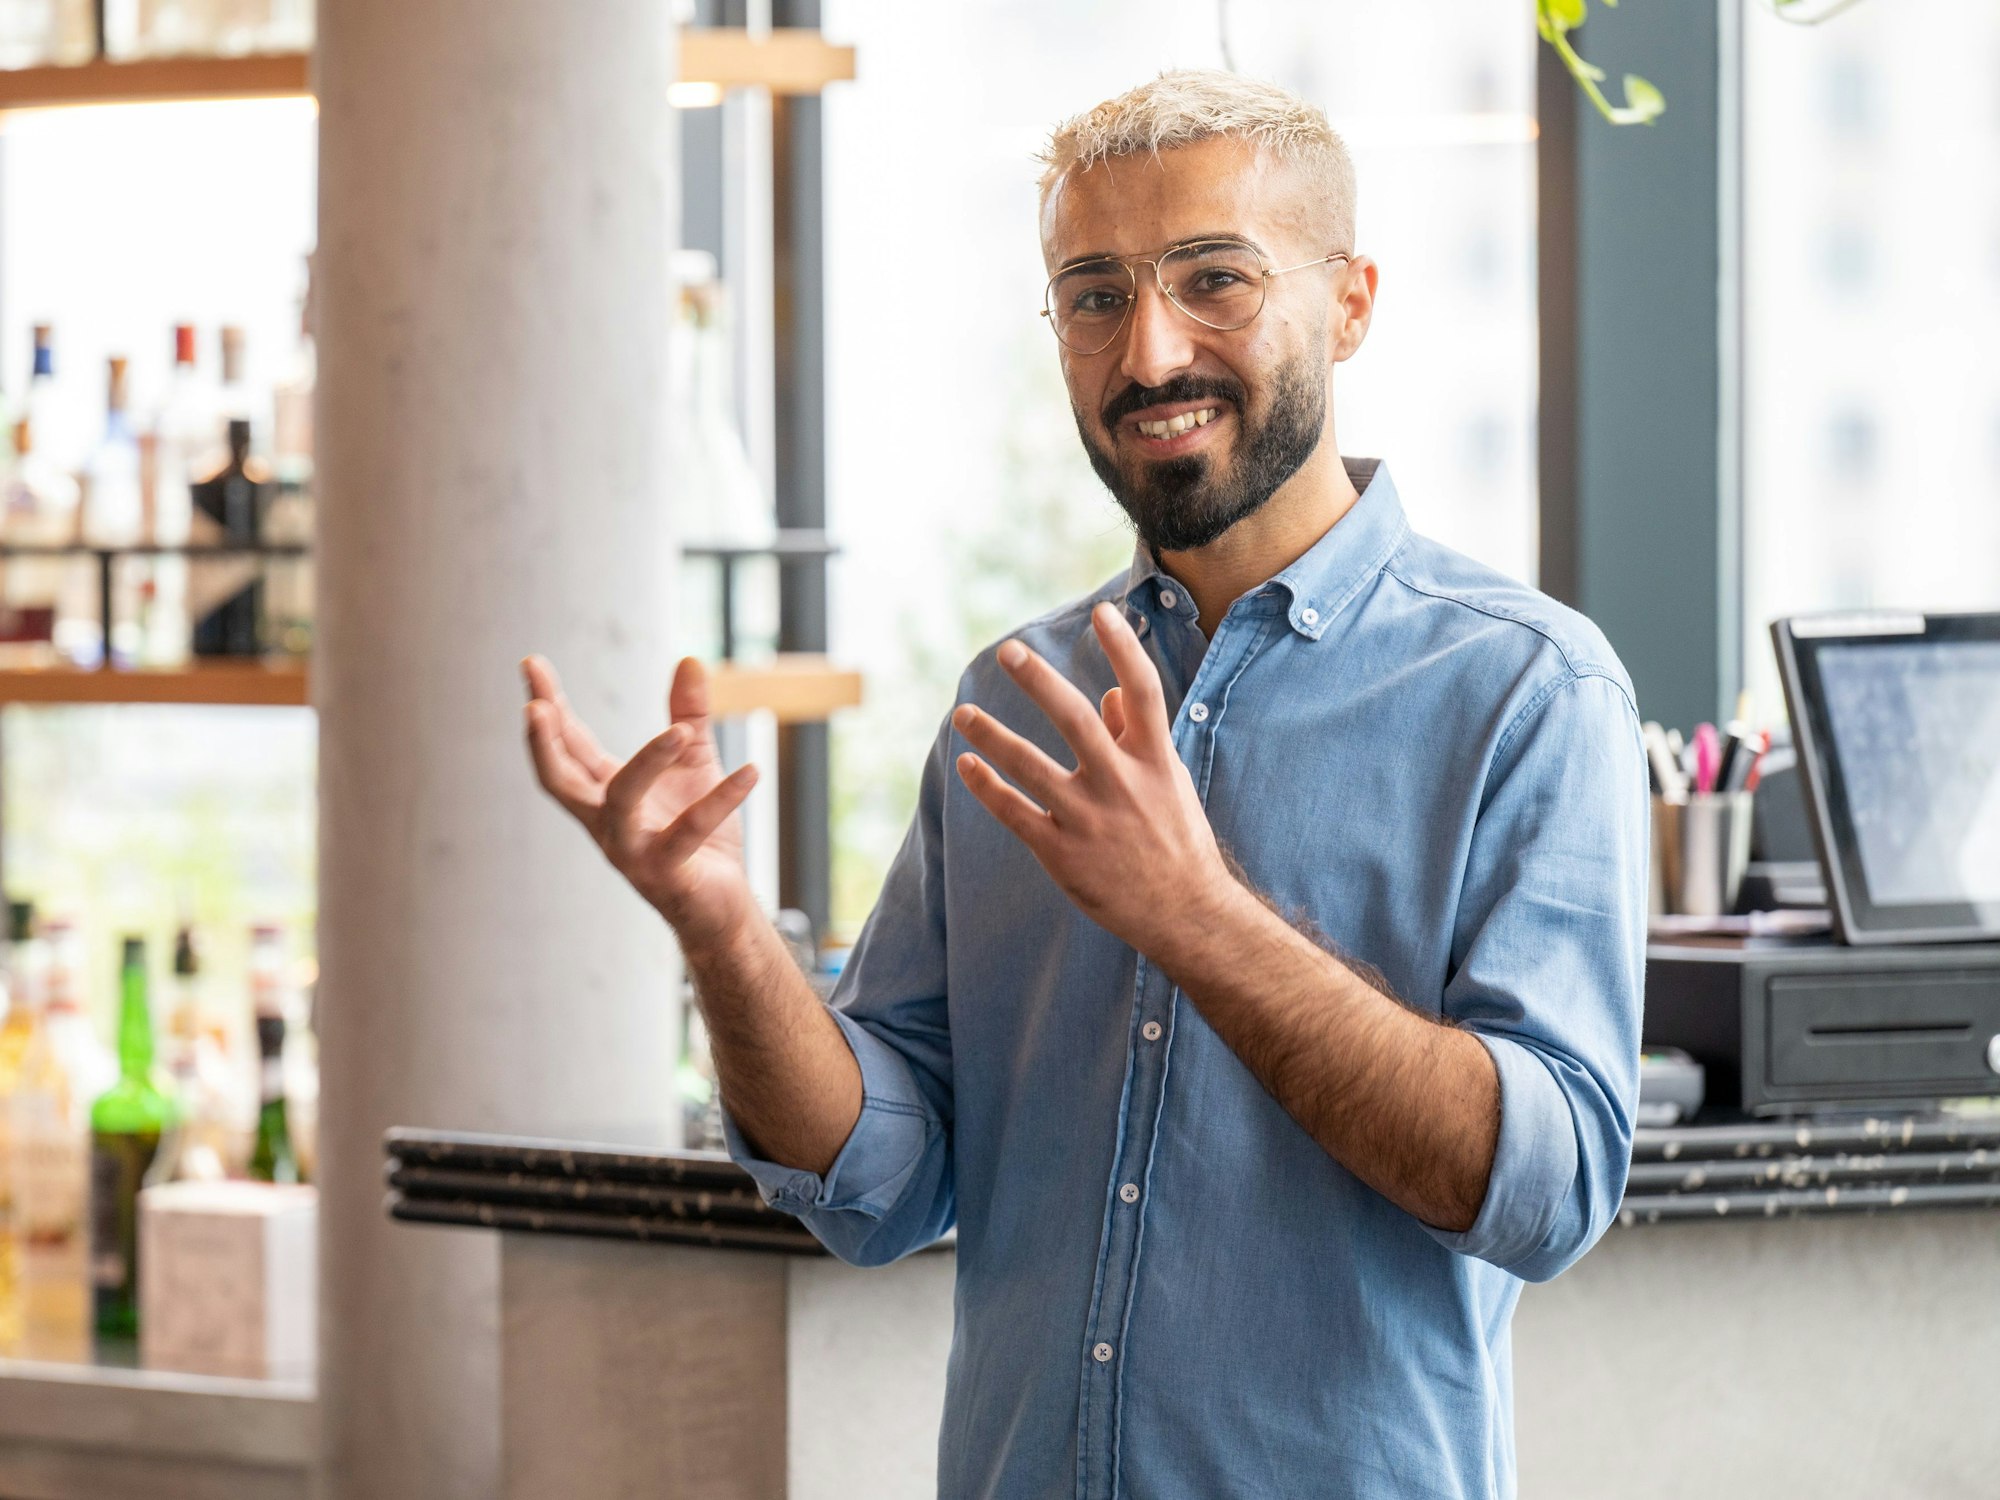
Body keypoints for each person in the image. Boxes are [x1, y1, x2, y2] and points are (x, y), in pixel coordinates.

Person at [524, 69, 1646, 1500]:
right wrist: (717, 926)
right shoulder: (1014, 698)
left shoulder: (1527, 693)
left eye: (1215, 280)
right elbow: (877, 1182)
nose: (1150, 351)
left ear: (1352, 302)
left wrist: (1196, 916)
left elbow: (1544, 1193)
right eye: (1095, 295)